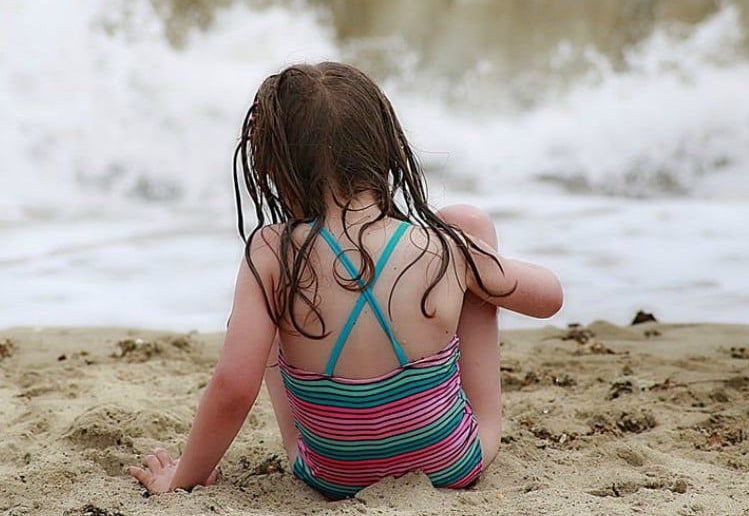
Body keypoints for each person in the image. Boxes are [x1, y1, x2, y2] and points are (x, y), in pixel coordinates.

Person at [129, 62, 562, 499]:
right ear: (386, 148)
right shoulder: (443, 247)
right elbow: (549, 298)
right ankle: (483, 423)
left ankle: (323, 442)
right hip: (454, 462)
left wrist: (183, 477)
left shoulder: (272, 251)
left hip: (330, 476)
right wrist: (474, 260)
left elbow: (234, 387)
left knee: (271, 296)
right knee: (469, 224)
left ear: (277, 167)